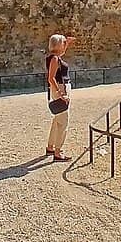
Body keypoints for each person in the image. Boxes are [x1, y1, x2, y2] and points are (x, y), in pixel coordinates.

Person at [45, 34, 74, 162]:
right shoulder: (55, 59)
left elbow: (61, 53)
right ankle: (58, 152)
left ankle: (51, 147)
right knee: (63, 122)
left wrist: (66, 43)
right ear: (58, 44)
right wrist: (61, 94)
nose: (64, 46)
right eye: (62, 43)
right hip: (60, 88)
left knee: (57, 120)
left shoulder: (54, 57)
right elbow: (51, 78)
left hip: (59, 88)